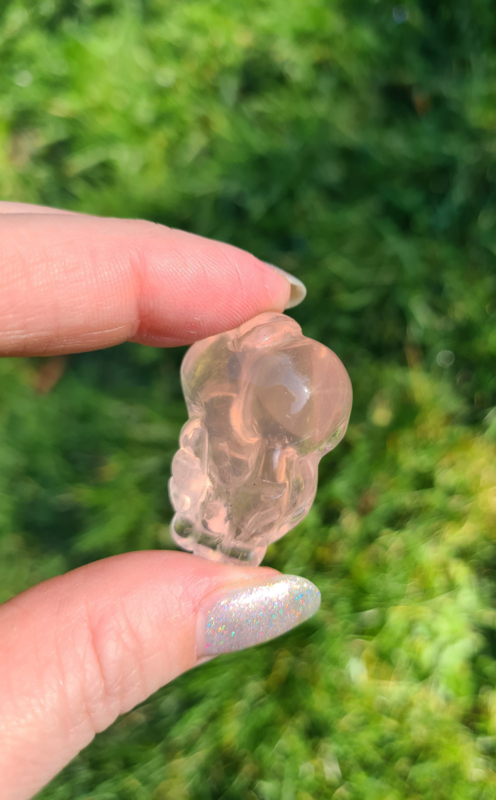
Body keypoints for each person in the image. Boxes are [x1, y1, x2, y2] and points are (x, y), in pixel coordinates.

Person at [0, 202, 319, 800]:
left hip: (239, 502)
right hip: (216, 492)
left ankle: (223, 534)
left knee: (246, 496)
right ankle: (212, 530)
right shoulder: (221, 404)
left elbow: (279, 476)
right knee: (220, 489)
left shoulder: (281, 449)